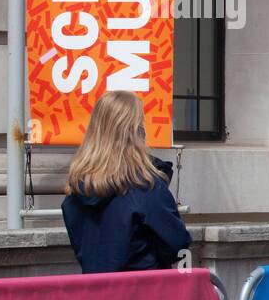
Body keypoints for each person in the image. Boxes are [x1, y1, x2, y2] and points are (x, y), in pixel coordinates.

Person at [61, 91, 191, 274]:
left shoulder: (76, 191)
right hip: (143, 292)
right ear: (135, 132)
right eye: (142, 124)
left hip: (96, 294)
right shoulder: (145, 186)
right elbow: (177, 245)